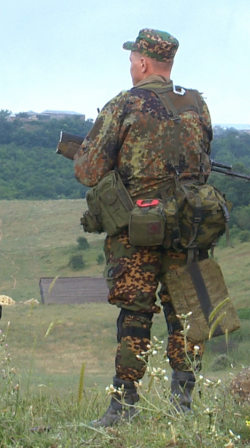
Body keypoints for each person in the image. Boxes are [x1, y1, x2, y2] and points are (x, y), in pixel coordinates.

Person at [74, 29, 213, 426]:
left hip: (138, 233)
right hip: (189, 226)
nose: (131, 64)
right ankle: (182, 408)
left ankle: (123, 406)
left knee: (135, 315)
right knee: (187, 313)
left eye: (132, 58)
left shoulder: (124, 104)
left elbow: (88, 170)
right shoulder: (197, 104)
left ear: (143, 62)